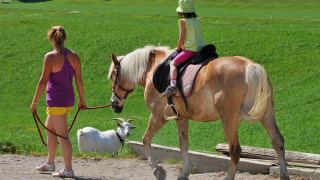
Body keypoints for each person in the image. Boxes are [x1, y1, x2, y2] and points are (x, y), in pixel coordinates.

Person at [30, 26, 86, 178]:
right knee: (49, 128)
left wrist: (34, 102)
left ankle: (68, 170)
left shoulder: (50, 57)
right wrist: (82, 100)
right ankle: (50, 163)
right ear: (65, 39)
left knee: (63, 136)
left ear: (51, 39)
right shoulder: (75, 57)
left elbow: (42, 82)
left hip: (56, 102)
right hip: (68, 100)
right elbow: (79, 81)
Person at [161, 0, 205, 97]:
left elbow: (181, 39)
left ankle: (173, 85)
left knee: (173, 64)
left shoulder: (183, 21)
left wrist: (177, 48)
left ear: (181, 11)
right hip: (202, 49)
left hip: (191, 50)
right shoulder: (196, 20)